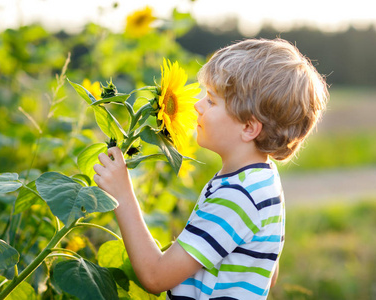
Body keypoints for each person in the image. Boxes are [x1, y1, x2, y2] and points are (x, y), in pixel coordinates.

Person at [93, 38, 328, 299]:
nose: (197, 105)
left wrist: (122, 195)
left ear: (249, 128)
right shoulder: (262, 182)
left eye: (212, 101)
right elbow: (267, 273)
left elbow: (155, 276)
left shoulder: (238, 196)